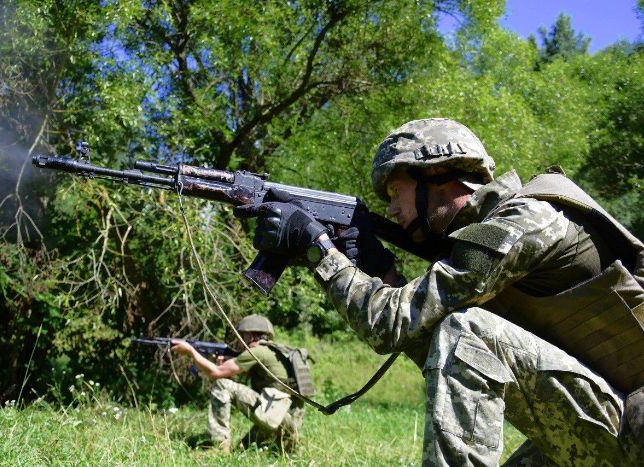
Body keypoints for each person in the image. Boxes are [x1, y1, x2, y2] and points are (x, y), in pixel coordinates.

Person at [236, 118, 644, 465]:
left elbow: (391, 323)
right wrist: (380, 272)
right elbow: (421, 332)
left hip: (633, 423)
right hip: (618, 416)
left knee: (466, 331)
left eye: (395, 191)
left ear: (438, 176)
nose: (391, 210)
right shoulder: (490, 241)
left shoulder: (527, 218)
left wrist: (319, 250)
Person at [171, 314, 306, 453]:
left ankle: (218, 446)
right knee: (243, 450)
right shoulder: (276, 353)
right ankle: (286, 447)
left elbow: (216, 373)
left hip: (276, 418)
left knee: (222, 384)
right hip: (288, 424)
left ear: (250, 336)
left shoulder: (257, 352)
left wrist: (191, 352)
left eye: (242, 336)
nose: (238, 342)